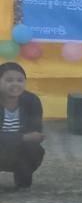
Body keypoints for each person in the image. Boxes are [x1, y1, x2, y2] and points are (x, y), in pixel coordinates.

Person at [0, 62, 45, 191]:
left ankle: (22, 180)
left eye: (20, 80)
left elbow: (35, 133)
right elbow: (29, 136)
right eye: (9, 80)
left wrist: (27, 138)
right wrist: (23, 137)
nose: (15, 84)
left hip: (16, 149)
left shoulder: (32, 100)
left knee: (33, 149)